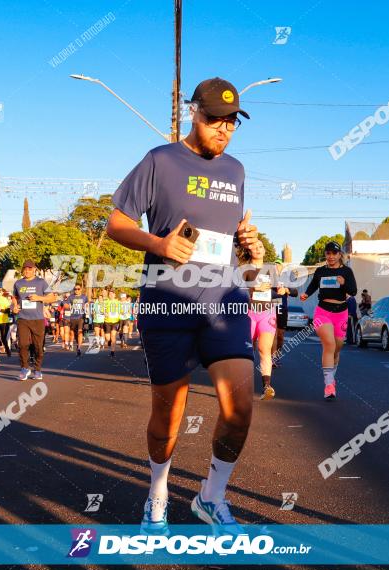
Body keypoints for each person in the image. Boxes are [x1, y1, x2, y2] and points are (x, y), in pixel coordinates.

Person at [106, 77, 258, 535]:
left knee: (239, 409)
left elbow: (228, 236)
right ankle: (157, 493)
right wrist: (159, 244)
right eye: (215, 119)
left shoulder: (236, 170)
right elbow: (116, 223)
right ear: (194, 113)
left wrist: (248, 243)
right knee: (167, 418)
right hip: (167, 303)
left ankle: (211, 497)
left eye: (232, 122)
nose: (224, 130)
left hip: (224, 302)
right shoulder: (160, 160)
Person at [300, 241, 357, 400]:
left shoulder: (347, 271)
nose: (331, 256)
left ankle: (332, 378)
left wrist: (344, 283)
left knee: (337, 348)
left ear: (340, 255)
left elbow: (353, 290)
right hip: (323, 311)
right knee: (329, 345)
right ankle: (329, 384)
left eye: (334, 253)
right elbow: (312, 287)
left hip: (341, 312)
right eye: (328, 253)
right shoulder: (320, 271)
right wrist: (306, 294)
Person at [239, 241, 290, 400]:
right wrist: (254, 289)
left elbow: (275, 291)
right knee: (247, 350)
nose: (258, 249)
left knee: (264, 349)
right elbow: (238, 290)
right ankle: (241, 386)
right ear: (249, 250)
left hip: (267, 313)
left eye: (260, 246)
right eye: (254, 247)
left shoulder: (270, 269)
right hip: (249, 312)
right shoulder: (244, 269)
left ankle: (267, 386)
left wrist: (281, 290)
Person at [12, 260, 56, 381]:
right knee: (22, 345)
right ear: (23, 270)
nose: (27, 271)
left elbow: (52, 297)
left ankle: (37, 370)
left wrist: (39, 298)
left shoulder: (41, 282)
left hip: (37, 319)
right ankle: (24, 368)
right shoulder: (18, 283)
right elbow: (15, 298)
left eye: (30, 269)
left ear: (34, 269)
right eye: (25, 269)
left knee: (38, 346)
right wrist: (14, 307)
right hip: (23, 318)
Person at [271, 259, 296, 369]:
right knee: (273, 334)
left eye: (278, 264)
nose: (276, 266)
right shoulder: (270, 277)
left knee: (280, 335)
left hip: (283, 307)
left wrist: (286, 290)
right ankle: (272, 358)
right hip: (272, 306)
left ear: (282, 267)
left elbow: (295, 292)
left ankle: (277, 355)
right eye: (275, 264)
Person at [64, 283, 88, 357]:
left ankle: (79, 348)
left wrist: (87, 312)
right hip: (72, 318)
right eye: (75, 289)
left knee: (80, 332)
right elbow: (66, 305)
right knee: (73, 333)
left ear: (81, 289)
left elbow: (87, 305)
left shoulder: (84, 297)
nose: (76, 290)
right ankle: (77, 344)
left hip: (81, 317)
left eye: (78, 289)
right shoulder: (71, 297)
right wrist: (67, 306)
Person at [103, 290, 121, 357]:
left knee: (113, 335)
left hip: (115, 321)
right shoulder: (106, 302)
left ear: (114, 295)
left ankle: (112, 352)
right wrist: (105, 313)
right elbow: (103, 310)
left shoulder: (118, 302)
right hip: (107, 321)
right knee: (108, 338)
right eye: (109, 294)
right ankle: (109, 341)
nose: (110, 295)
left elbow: (120, 310)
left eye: (112, 294)